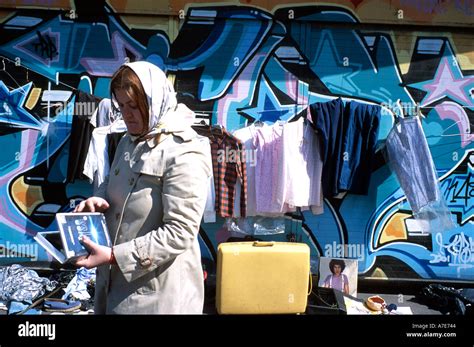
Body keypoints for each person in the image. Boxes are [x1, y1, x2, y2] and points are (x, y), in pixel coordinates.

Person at [73, 61, 212, 314]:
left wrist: (116, 256)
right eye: (122, 106)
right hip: (113, 286)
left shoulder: (185, 150)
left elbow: (180, 232)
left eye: (134, 106)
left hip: (156, 295)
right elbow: (110, 183)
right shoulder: (130, 139)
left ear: (154, 100)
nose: (126, 114)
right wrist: (99, 199)